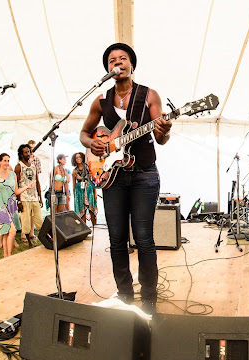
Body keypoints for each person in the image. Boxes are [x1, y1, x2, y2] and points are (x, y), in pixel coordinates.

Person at [80, 43, 171, 314]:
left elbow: (161, 139)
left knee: (144, 238)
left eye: (122, 59)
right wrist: (92, 145)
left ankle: (149, 298)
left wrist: (164, 129)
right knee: (117, 239)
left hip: (144, 174)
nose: (117, 63)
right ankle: (124, 294)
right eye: (111, 60)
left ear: (132, 65)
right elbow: (85, 133)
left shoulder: (148, 95)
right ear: (107, 69)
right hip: (112, 177)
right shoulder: (101, 100)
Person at [0, 153, 33, 258]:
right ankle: (8, 255)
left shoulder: (12, 174)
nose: (7, 163)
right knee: (9, 232)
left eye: (8, 160)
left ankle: (6, 256)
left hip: (12, 205)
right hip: (1, 207)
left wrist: (27, 187)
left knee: (8, 233)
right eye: (4, 160)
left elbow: (16, 191)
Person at [15, 144, 43, 248]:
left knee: (39, 219)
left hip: (34, 197)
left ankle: (43, 237)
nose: (28, 154)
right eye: (26, 152)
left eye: (29, 152)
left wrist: (40, 197)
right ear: (21, 154)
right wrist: (18, 201)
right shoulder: (19, 167)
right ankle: (28, 242)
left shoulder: (33, 166)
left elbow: (37, 182)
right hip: (24, 198)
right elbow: (16, 184)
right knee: (25, 220)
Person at [72, 152, 97, 225]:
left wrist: (95, 193)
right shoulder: (75, 171)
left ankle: (95, 228)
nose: (78, 159)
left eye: (79, 157)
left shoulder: (87, 168)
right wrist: (75, 196)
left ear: (82, 158)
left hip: (89, 190)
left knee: (91, 210)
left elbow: (93, 180)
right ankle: (84, 230)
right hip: (79, 192)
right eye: (76, 157)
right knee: (81, 211)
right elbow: (73, 184)